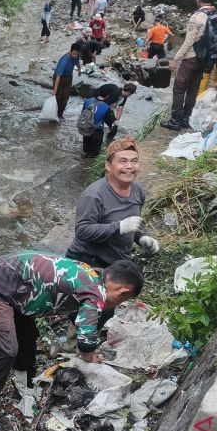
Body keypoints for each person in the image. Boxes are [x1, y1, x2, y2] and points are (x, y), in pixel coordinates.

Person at [0, 253, 144, 431]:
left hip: (17, 292)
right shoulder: (95, 290)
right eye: (122, 300)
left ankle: (23, 389)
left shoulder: (91, 274)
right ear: (122, 292)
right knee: (6, 349)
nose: (115, 304)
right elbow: (85, 341)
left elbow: (78, 317)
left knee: (27, 340)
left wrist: (87, 339)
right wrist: (89, 355)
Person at [66, 136, 159, 325]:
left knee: (106, 309)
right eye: (122, 161)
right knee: (86, 310)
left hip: (115, 261)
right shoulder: (94, 195)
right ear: (108, 166)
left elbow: (135, 223)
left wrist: (142, 237)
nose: (129, 166)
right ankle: (75, 343)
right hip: (87, 260)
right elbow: (82, 230)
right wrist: (119, 227)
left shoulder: (137, 191)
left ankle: (92, 340)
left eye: (134, 161)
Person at [161, 0, 217, 131]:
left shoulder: (197, 17)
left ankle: (175, 121)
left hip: (191, 57)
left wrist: (175, 58)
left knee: (179, 87)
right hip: (204, 59)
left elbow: (189, 41)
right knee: (193, 89)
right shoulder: (214, 14)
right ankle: (186, 119)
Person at [81, 86, 117, 158]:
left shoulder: (88, 101)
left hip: (86, 128)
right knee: (94, 153)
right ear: (107, 96)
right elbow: (109, 121)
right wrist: (111, 126)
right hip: (97, 132)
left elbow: (83, 113)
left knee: (86, 150)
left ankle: (84, 160)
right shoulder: (106, 107)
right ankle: (89, 166)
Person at [52, 42, 82, 120]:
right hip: (60, 78)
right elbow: (58, 76)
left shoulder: (76, 56)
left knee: (65, 98)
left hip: (68, 77)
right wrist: (55, 90)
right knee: (58, 97)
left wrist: (79, 70)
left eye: (77, 54)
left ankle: (60, 115)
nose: (75, 56)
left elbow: (77, 63)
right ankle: (54, 115)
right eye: (74, 54)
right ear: (70, 51)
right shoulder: (64, 60)